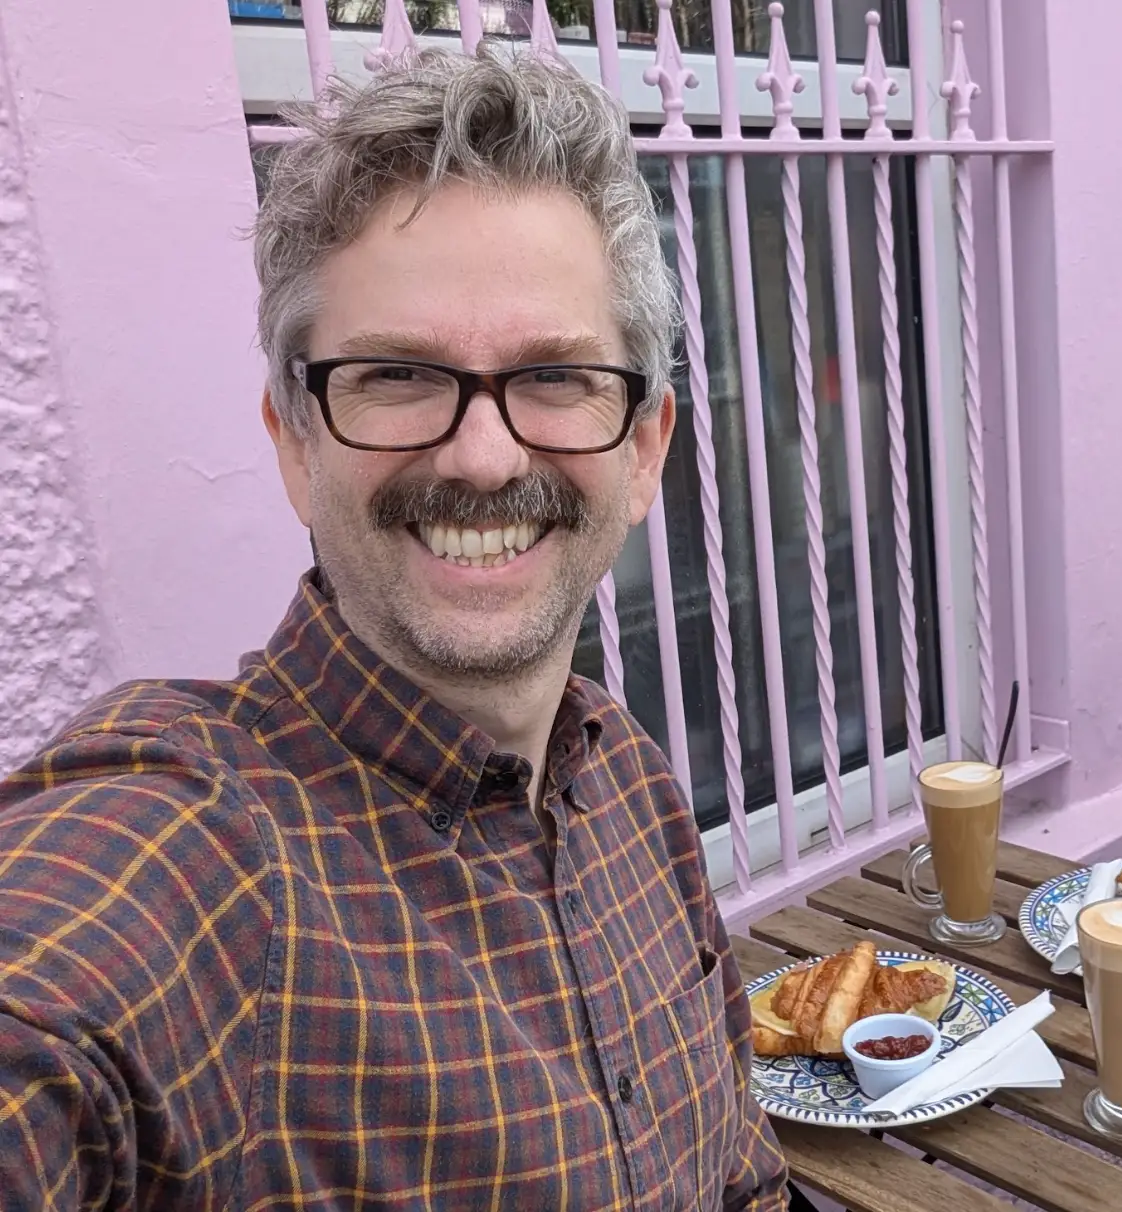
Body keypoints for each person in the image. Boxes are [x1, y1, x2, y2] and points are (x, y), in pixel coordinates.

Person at [0, 48, 788, 1210]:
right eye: (399, 375)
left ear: (644, 451)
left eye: (557, 377)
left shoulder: (627, 783)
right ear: (294, 442)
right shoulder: (191, 858)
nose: (482, 455)